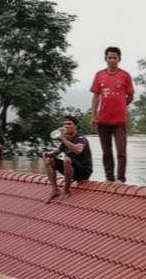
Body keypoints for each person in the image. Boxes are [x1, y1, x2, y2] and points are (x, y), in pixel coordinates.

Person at [90, 46, 134, 183]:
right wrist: (93, 116)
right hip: (103, 120)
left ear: (119, 59)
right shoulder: (99, 75)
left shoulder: (125, 76)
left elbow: (131, 96)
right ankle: (109, 178)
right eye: (109, 57)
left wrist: (121, 105)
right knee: (106, 151)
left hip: (119, 120)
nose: (112, 60)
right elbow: (96, 96)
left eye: (115, 57)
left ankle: (120, 178)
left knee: (121, 150)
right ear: (105, 59)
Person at [43, 116, 93, 203]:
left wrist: (63, 139)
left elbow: (78, 150)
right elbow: (57, 152)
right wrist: (47, 154)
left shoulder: (81, 138)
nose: (66, 126)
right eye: (64, 124)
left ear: (76, 126)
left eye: (69, 124)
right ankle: (55, 190)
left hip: (83, 172)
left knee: (67, 159)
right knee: (49, 160)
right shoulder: (66, 140)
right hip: (71, 169)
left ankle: (66, 190)